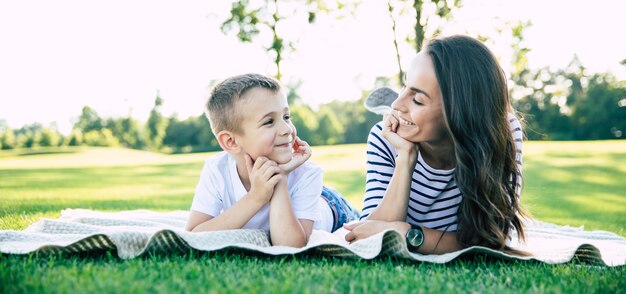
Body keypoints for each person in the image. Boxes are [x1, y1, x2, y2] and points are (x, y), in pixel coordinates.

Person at [345, 35, 528, 254]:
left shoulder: (502, 131)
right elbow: (370, 236)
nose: (396, 104)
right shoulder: (385, 138)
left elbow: (494, 238)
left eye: (418, 100)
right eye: (405, 86)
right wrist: (405, 158)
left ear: (459, 113)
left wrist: (408, 233)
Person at [185, 73, 359, 248]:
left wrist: (281, 178)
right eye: (269, 122)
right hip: (304, 198)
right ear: (231, 142)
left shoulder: (306, 172)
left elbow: (291, 246)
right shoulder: (217, 169)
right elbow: (194, 235)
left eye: (286, 117)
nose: (286, 129)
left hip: (331, 206)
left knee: (361, 223)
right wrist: (256, 197)